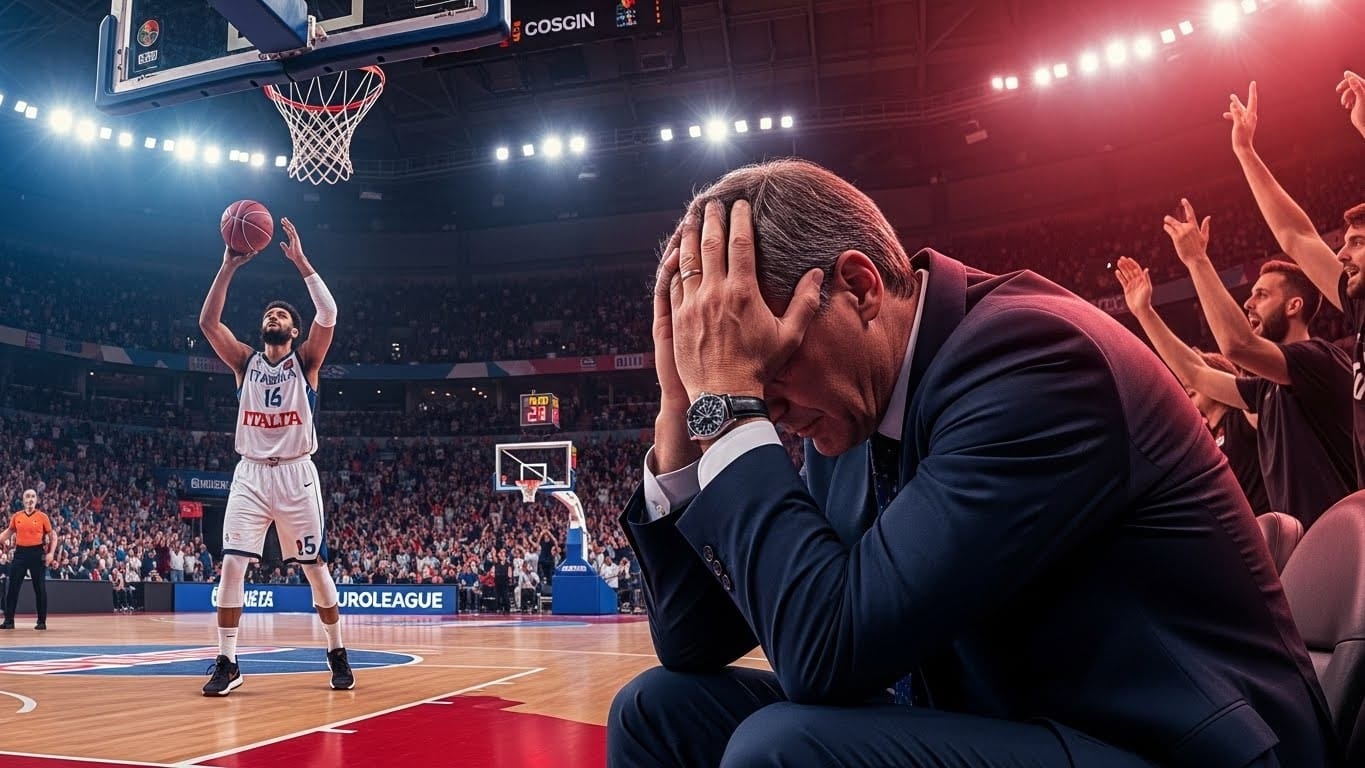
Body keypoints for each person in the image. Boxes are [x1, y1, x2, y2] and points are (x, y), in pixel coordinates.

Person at [608, 159, 1339, 767]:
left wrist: (727, 414)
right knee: (658, 710)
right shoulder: (849, 406)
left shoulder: (1034, 361)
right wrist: (683, 410)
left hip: (1169, 748)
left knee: (784, 750)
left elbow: (825, 652)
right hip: (1022, 720)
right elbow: (692, 640)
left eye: (766, 361)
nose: (759, 400)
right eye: (732, 370)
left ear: (860, 288)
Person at [197, 216, 353, 696]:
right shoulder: (244, 361)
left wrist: (302, 262)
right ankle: (228, 661)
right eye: (269, 313)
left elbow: (328, 314)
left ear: (293, 329)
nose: (274, 317)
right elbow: (207, 323)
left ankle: (336, 651)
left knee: (314, 569)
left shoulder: (306, 362)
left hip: (296, 475)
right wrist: (227, 266)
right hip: (249, 475)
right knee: (231, 565)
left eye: (282, 315)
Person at [1153, 196, 1352, 527]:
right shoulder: (1267, 387)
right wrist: (1143, 311)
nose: (1248, 303)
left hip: (1344, 538)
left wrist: (1197, 261)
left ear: (1293, 306)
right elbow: (1195, 374)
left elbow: (1237, 345)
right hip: (1306, 545)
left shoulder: (1320, 360)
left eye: (1262, 295)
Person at [1228, 76, 1365, 490]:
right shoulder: (1360, 307)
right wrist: (1245, 152)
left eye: (1357, 243)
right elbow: (1296, 236)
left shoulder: (1316, 359)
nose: (1341, 255)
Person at [1113, 259, 1270, 515]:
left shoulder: (1247, 416)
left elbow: (1195, 370)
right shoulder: (1201, 437)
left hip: (1273, 530)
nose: (1187, 385)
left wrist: (1146, 313)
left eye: (1199, 381)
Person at [0, 489, 56, 630]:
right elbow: (7, 533)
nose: (30, 499)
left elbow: (53, 536)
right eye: (27, 496)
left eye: (33, 496)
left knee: (40, 588)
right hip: (20, 553)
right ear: (23, 499)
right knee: (13, 587)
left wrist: (51, 553)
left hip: (37, 553)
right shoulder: (17, 516)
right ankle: (8, 620)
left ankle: (41, 621)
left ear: (36, 500)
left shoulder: (43, 517)